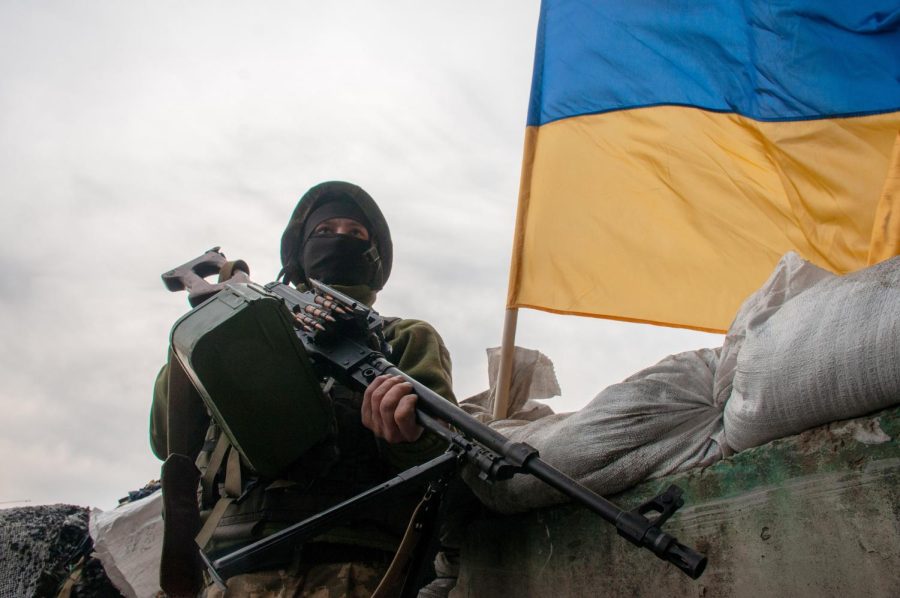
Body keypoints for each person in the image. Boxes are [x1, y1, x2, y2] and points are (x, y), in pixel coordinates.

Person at [150, 181, 457, 596]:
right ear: (300, 252)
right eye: (326, 230)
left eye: (356, 233)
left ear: (374, 257)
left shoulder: (403, 337)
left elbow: (441, 456)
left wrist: (409, 437)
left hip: (357, 568)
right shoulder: (247, 325)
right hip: (232, 567)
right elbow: (166, 440)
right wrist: (206, 331)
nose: (340, 239)